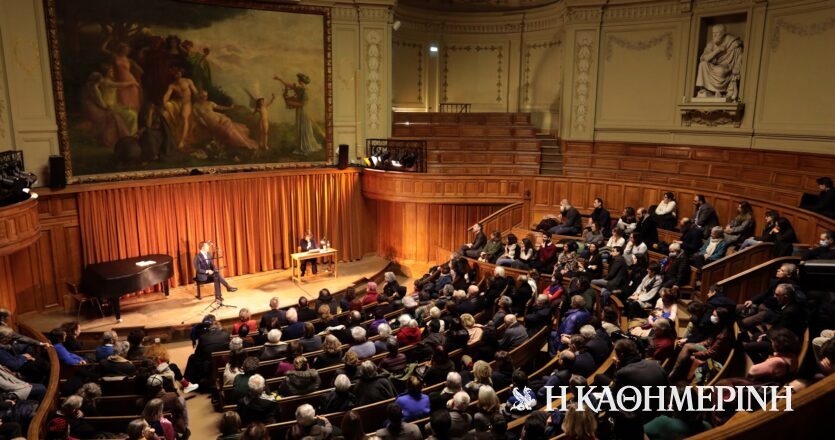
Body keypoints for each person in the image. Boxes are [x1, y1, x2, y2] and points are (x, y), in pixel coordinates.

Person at [696, 24, 744, 100]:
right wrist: (717, 51)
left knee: (720, 70)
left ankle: (719, 91)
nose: (714, 35)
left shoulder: (732, 42)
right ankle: (705, 90)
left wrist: (737, 67)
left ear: (723, 33)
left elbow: (739, 53)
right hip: (715, 65)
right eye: (713, 33)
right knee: (702, 65)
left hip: (726, 66)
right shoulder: (711, 44)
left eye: (717, 33)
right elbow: (704, 58)